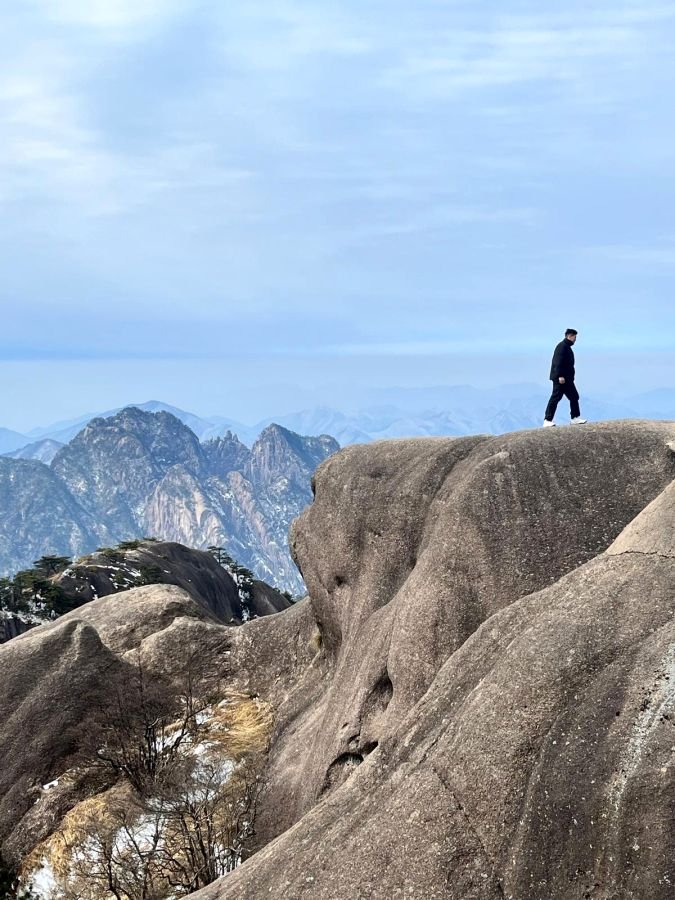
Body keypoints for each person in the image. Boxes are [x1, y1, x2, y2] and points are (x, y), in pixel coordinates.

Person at [543, 328, 587, 427]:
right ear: (569, 336)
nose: (575, 339)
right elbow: (557, 362)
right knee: (555, 397)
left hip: (567, 379)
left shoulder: (566, 347)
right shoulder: (562, 347)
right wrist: (560, 376)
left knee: (574, 396)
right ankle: (547, 420)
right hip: (561, 379)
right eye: (575, 337)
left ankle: (575, 418)